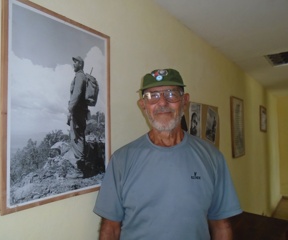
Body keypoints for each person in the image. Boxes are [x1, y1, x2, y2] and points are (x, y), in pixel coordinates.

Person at [94, 68, 242, 240]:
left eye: (171, 94)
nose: (162, 102)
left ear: (185, 101)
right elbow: (110, 228)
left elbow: (221, 225)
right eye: (152, 96)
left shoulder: (212, 157)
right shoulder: (121, 160)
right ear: (143, 105)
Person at [68, 56, 89, 172]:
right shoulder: (80, 76)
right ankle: (80, 166)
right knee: (78, 136)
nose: (73, 64)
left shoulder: (80, 76)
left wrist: (70, 109)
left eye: (75, 62)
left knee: (77, 138)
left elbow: (76, 94)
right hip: (79, 111)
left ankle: (80, 170)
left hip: (77, 112)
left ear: (80, 64)